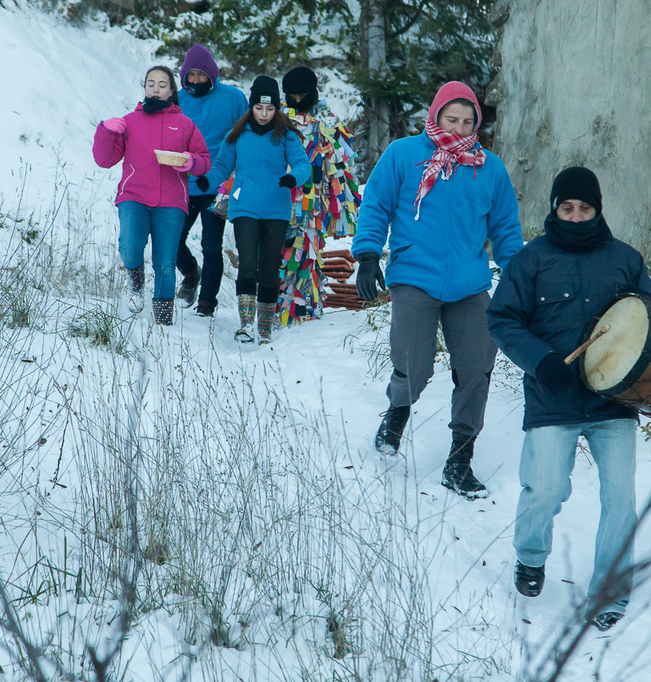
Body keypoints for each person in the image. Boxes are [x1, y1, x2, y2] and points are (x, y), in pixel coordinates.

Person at [485, 166, 651, 631]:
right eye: (568, 207)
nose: (577, 215)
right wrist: (540, 360)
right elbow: (502, 319)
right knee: (544, 489)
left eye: (586, 208)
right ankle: (530, 555)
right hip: (553, 397)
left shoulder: (625, 260)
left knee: (621, 498)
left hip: (613, 401)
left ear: (598, 210)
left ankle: (609, 589)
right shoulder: (531, 260)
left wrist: (645, 373)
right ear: (554, 209)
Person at [352, 81, 524, 500]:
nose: (461, 127)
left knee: (477, 368)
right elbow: (375, 204)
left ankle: (460, 458)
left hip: (469, 283)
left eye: (469, 121)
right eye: (453, 119)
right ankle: (397, 413)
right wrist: (369, 254)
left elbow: (504, 229)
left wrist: (519, 274)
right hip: (414, 275)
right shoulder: (403, 155)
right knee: (414, 365)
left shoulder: (489, 167)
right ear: (436, 115)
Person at [196, 75, 310, 344]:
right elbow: (222, 167)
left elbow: (302, 164)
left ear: (277, 108)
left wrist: (294, 177)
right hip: (244, 206)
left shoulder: (287, 135)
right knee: (248, 264)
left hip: (276, 209)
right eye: (259, 108)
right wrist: (207, 181)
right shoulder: (236, 134)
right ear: (251, 106)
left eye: (270, 109)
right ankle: (246, 324)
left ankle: (265, 328)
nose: (264, 114)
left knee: (270, 269)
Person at [93, 65, 211, 325]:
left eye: (162, 85)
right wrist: (105, 131)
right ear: (144, 87)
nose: (155, 89)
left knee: (166, 263)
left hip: (171, 202)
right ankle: (136, 284)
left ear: (171, 91)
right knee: (130, 247)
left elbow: (205, 160)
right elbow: (104, 160)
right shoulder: (129, 122)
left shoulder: (185, 124)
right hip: (133, 196)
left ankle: (163, 321)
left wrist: (190, 162)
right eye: (151, 84)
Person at [276, 65, 363, 326]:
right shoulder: (276, 117)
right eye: (293, 96)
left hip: (312, 201)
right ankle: (274, 308)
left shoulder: (327, 121)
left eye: (303, 95)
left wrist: (343, 210)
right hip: (277, 196)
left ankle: (305, 310)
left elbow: (340, 168)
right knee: (276, 252)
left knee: (307, 254)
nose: (298, 101)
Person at [175, 44, 249, 315]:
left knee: (211, 245)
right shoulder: (177, 100)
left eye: (201, 75)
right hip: (182, 183)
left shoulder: (233, 97)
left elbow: (247, 133)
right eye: (190, 75)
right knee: (172, 240)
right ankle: (191, 272)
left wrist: (240, 175)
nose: (196, 80)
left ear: (212, 74)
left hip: (217, 185)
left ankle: (207, 302)